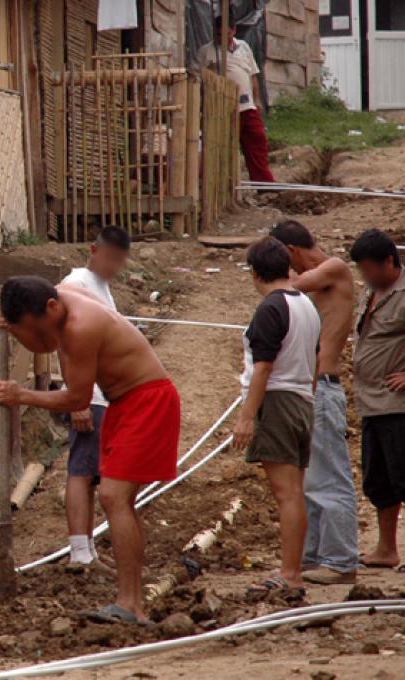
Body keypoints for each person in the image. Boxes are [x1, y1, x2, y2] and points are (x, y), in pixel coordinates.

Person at [0, 277, 179, 624]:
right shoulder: (61, 298)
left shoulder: (80, 326)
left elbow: (77, 398)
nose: (34, 333)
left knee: (113, 497)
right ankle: (131, 601)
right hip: (126, 403)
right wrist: (16, 328)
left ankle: (130, 604)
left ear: (50, 308)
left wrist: (22, 396)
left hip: (147, 402)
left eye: (32, 326)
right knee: (118, 499)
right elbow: (46, 343)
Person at [270, 220, 358, 585]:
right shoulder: (314, 283)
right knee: (308, 479)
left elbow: (288, 287)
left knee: (329, 477)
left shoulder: (333, 269)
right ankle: (314, 554)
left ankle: (340, 559)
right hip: (308, 391)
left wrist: (275, 274)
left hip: (323, 386)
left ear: (290, 251)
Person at [232, 237, 322, 593]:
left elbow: (263, 368)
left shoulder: (271, 308)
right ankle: (293, 568)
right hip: (302, 400)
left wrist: (245, 417)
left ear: (255, 273)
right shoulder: (307, 306)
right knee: (294, 490)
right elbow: (314, 361)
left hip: (280, 402)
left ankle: (290, 573)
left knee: (286, 493)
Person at [59, 226, 131, 567]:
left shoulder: (102, 288)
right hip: (92, 397)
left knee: (93, 473)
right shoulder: (76, 284)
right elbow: (66, 344)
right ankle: (79, 552)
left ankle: (87, 549)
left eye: (120, 261)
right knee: (82, 471)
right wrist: (80, 400)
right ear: (93, 250)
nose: (114, 266)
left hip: (106, 397)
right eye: (110, 258)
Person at [349, 229, 405, 571]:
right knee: (379, 480)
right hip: (371, 401)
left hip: (398, 403)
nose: (365, 276)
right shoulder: (372, 293)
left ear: (388, 261)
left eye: (370, 268)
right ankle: (386, 549)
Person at [198, 14, 275, 184]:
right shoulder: (207, 51)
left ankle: (264, 183)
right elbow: (199, 79)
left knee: (257, 140)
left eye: (226, 34)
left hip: (246, 105)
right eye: (218, 34)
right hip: (222, 108)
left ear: (233, 30)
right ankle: (216, 183)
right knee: (221, 146)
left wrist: (257, 101)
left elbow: (253, 75)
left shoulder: (244, 47)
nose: (222, 38)